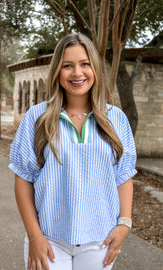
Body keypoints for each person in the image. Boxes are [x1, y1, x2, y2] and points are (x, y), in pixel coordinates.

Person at [9, 33, 137, 270]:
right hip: (48, 238)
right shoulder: (37, 118)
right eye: (68, 66)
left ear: (95, 69)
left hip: (100, 239)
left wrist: (124, 224)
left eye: (84, 64)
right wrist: (35, 236)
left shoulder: (116, 119)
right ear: (57, 71)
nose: (77, 73)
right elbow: (23, 178)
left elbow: (123, 175)